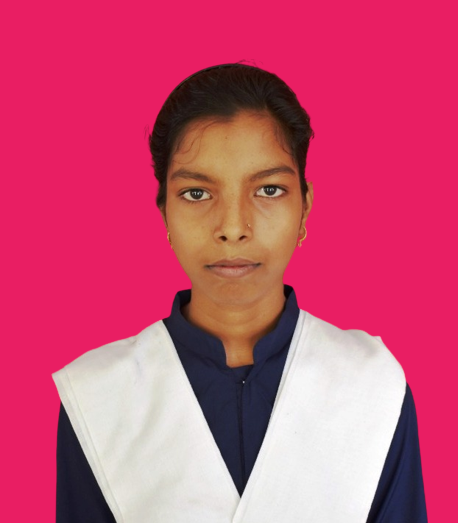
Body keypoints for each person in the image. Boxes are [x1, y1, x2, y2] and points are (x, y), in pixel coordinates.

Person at [53, 63, 427, 522]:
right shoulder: (98, 396)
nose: (232, 228)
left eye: (268, 189)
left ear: (305, 207)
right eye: (197, 193)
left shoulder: (371, 385)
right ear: (164, 211)